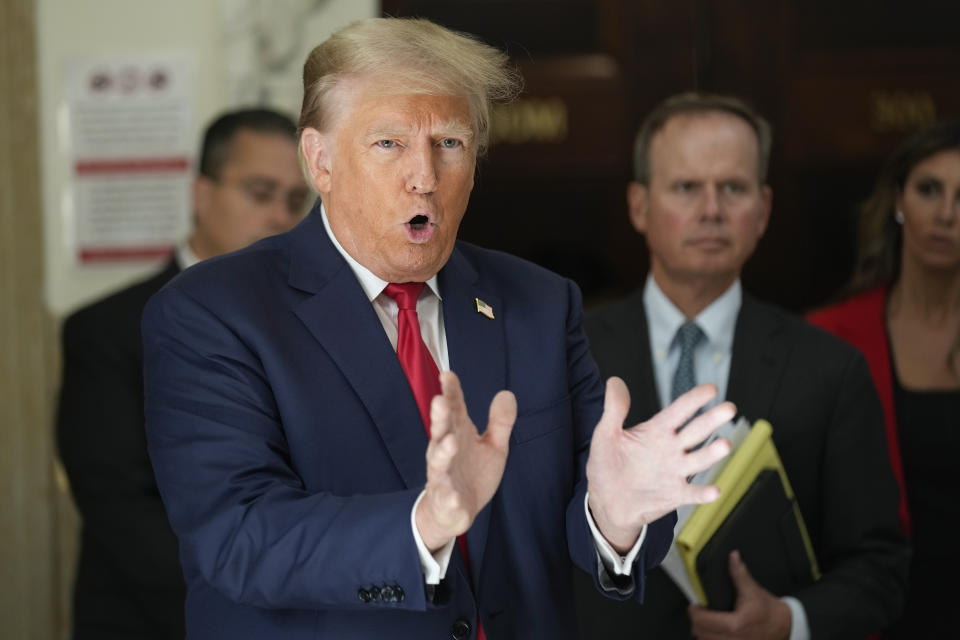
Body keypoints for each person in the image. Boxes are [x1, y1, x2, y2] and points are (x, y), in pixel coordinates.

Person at [141, 18, 738, 640]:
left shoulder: (538, 303)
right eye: (389, 144)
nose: (424, 176)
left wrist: (613, 519)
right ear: (320, 162)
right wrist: (423, 525)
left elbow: (590, 506)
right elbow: (238, 537)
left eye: (449, 143)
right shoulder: (212, 312)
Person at [573, 92, 910, 639]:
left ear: (764, 209)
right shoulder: (567, 357)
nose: (711, 209)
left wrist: (788, 621)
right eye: (686, 187)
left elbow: (880, 568)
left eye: (733, 188)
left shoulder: (831, 369)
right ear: (639, 206)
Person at [56, 107, 310, 639]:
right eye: (260, 193)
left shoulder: (316, 325)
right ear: (201, 194)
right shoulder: (108, 331)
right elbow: (122, 512)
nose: (280, 220)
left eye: (295, 201)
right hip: (159, 620)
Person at [808, 120, 960, 638]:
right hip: (876, 616)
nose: (946, 214)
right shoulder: (831, 337)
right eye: (929, 190)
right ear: (898, 201)